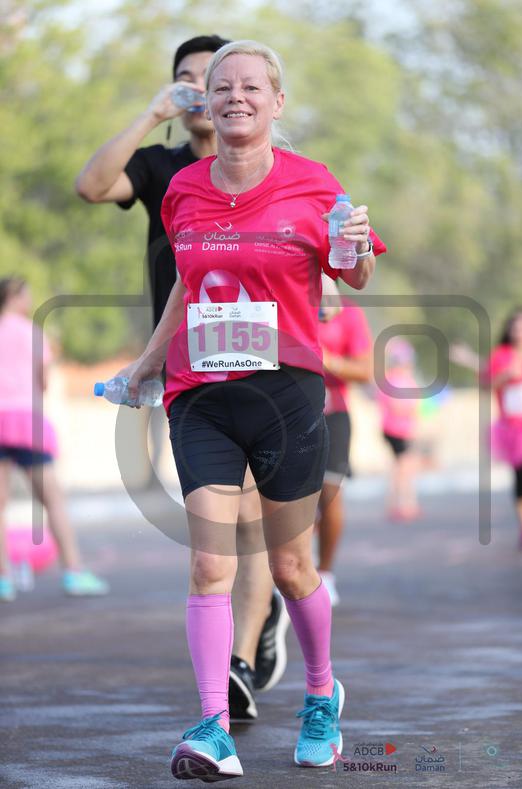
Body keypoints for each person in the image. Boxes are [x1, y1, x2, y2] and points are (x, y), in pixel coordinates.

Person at [120, 40, 386, 781]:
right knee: (210, 560)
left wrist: (357, 248)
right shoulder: (183, 190)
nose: (235, 96)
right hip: (200, 395)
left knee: (292, 565)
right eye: (221, 86)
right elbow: (186, 282)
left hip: (285, 393)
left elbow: (354, 275)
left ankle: (321, 695)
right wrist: (148, 362)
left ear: (276, 101)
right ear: (206, 101)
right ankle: (212, 726)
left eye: (250, 86)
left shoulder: (314, 183)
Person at [75, 34, 289, 721]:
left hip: (258, 356)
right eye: (189, 79)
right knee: (213, 522)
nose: (204, 89)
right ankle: (247, 629)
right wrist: (151, 115)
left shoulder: (262, 164)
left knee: (248, 514)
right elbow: (91, 186)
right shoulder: (163, 168)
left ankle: (239, 660)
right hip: (184, 363)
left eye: (214, 77)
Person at [0, 277, 109, 601]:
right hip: (26, 421)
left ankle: (3, 580)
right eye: (26, 294)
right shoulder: (32, 332)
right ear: (13, 296)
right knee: (54, 501)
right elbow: (44, 382)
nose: (29, 300)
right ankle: (73, 572)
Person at [454, 309, 522, 548]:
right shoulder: (501, 356)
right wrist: (506, 377)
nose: (520, 331)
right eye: (516, 326)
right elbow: (487, 383)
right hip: (514, 428)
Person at [318, 296, 373, 605]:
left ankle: (325, 573)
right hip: (283, 412)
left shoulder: (348, 311)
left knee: (329, 494)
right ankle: (284, 570)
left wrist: (327, 360)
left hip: (332, 413)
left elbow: (365, 371)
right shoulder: (278, 296)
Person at [376, 338, 421, 521]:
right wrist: (408, 409)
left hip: (404, 430)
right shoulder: (391, 380)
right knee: (403, 468)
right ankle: (405, 504)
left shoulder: (406, 379)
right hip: (395, 430)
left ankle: (400, 504)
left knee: (402, 468)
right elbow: (395, 405)